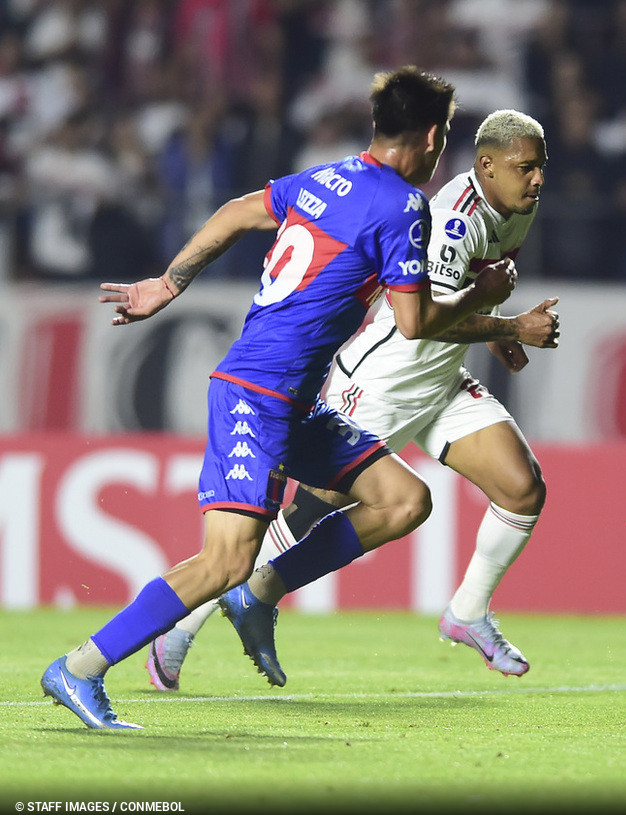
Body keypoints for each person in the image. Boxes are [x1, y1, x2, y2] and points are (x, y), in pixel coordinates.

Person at [40, 66, 518, 730]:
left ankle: (264, 592)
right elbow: (415, 324)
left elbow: (239, 212)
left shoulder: (326, 178)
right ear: (434, 137)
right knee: (225, 558)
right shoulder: (403, 207)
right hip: (257, 394)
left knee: (404, 499)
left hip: (294, 404)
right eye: (445, 141)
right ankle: (82, 667)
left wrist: (168, 283)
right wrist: (488, 303)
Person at [146, 109, 555, 690]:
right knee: (300, 514)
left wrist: (496, 329)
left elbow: (465, 303)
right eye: (526, 168)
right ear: (485, 165)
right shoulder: (450, 224)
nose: (537, 179)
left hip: (438, 383)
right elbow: (423, 323)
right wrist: (510, 328)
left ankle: (466, 613)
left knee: (522, 489)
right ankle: (180, 628)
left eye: (540, 167)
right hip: (383, 380)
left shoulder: (516, 206)